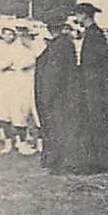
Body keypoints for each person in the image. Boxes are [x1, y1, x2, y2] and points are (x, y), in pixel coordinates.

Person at [68, 3, 108, 173]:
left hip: (95, 86)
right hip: (94, 85)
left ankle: (101, 161)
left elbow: (96, 63)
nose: (76, 19)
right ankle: (101, 160)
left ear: (84, 15)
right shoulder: (92, 33)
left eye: (77, 15)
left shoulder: (94, 35)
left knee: (97, 120)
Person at [34, 17, 80, 171]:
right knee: (57, 127)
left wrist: (47, 95)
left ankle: (58, 161)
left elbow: (54, 74)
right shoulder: (60, 44)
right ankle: (57, 160)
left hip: (57, 94)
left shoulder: (59, 45)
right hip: (58, 93)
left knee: (57, 126)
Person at [0, 21, 39, 154]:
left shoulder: (22, 48)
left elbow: (27, 62)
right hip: (3, 86)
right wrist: (7, 65)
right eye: (5, 33)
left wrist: (13, 65)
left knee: (19, 114)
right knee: (4, 114)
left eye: (10, 33)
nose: (8, 36)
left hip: (19, 86)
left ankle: (22, 143)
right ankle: (8, 143)